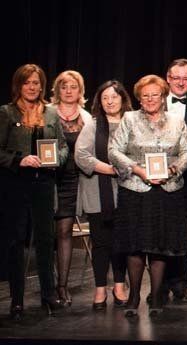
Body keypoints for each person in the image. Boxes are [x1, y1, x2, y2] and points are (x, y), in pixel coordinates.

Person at [109, 75, 187, 317]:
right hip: (136, 190)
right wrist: (138, 170)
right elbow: (114, 150)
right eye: (145, 95)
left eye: (155, 94)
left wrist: (172, 169)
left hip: (167, 191)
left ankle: (157, 295)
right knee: (135, 247)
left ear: (163, 96)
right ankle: (134, 296)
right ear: (139, 97)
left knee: (160, 247)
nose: (150, 99)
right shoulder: (129, 119)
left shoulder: (177, 122)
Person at [0, 64, 68, 319]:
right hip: (15, 185)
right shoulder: (6, 113)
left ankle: (48, 295)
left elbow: (62, 148)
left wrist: (56, 160)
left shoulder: (51, 113)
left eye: (37, 82)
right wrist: (20, 159)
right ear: (19, 85)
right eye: (28, 82)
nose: (33, 87)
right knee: (16, 242)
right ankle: (16, 300)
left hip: (44, 184)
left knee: (45, 240)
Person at [74, 80, 131, 309]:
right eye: (105, 97)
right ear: (100, 101)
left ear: (122, 99)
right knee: (100, 243)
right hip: (98, 192)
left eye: (114, 97)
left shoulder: (132, 123)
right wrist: (109, 169)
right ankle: (99, 289)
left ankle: (119, 285)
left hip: (127, 192)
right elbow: (81, 155)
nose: (109, 101)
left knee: (121, 243)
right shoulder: (93, 125)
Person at [49, 70, 92, 307]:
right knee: (47, 233)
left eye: (73, 86)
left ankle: (62, 285)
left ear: (80, 90)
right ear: (57, 90)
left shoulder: (86, 118)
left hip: (72, 179)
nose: (68, 90)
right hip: (46, 177)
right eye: (63, 86)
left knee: (65, 231)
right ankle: (47, 284)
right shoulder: (46, 113)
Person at [161, 58, 187, 304]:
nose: (181, 83)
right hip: (156, 178)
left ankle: (180, 284)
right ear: (168, 78)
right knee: (158, 231)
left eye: (186, 79)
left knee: (182, 232)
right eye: (176, 78)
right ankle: (159, 284)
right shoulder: (153, 101)